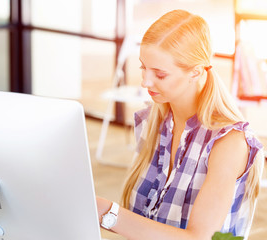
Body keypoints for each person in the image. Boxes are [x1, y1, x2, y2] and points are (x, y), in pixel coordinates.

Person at [96, 9, 265, 240]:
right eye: (143, 67)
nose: (145, 81)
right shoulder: (152, 123)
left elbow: (198, 238)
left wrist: (108, 212)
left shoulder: (228, 142)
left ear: (195, 72)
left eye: (160, 74)